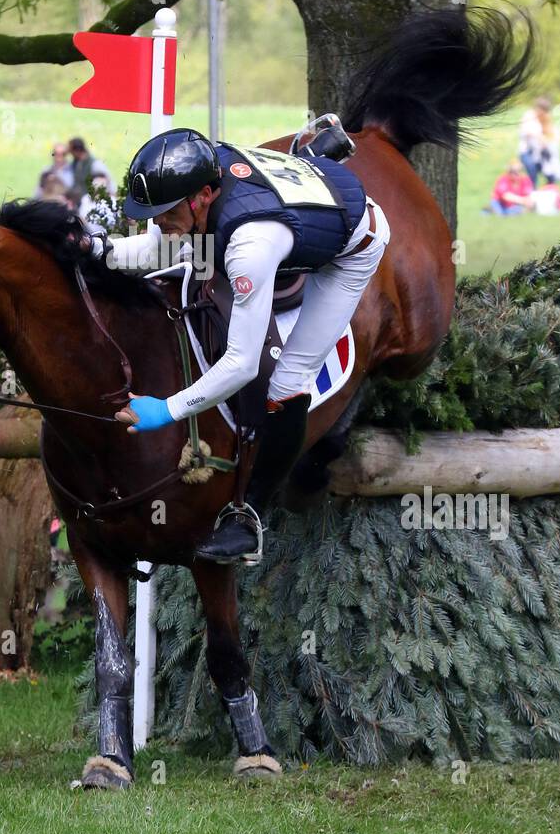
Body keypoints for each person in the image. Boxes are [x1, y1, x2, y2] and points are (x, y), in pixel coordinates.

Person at [85, 128, 390, 563]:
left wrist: (168, 409)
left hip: (350, 249)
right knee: (197, 248)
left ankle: (249, 518)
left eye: (165, 211)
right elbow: (161, 245)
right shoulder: (207, 167)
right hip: (281, 207)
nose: (157, 222)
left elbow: (243, 364)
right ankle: (315, 154)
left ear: (204, 195)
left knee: (285, 383)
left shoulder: (249, 247)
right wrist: (97, 248)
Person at [518, 97, 560, 186]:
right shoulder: (528, 116)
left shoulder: (545, 118)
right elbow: (526, 131)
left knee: (550, 174)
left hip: (541, 152)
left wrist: (547, 140)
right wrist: (539, 137)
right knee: (532, 171)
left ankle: (550, 192)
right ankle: (532, 192)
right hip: (527, 151)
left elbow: (551, 133)